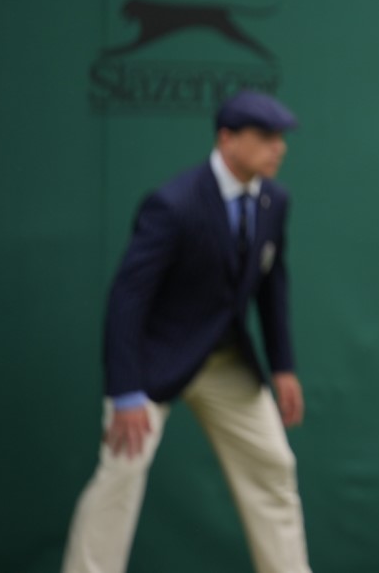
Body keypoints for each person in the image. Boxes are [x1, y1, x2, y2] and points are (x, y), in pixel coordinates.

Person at [63, 90, 312, 573]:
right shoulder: (172, 205)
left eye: (280, 137)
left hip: (227, 363)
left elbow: (271, 286)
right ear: (226, 139)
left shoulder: (273, 201)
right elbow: (127, 299)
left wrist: (283, 366)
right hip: (154, 362)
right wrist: (126, 392)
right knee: (121, 472)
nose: (278, 147)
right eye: (264, 136)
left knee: (274, 468)